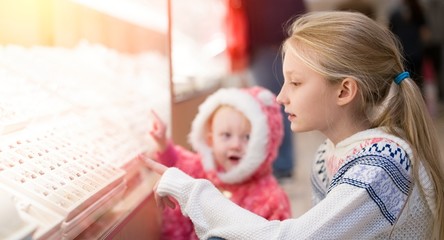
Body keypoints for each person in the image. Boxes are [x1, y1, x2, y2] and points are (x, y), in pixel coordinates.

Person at [145, 11, 444, 239]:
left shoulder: (380, 166)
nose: (281, 96)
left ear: (344, 91)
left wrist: (191, 192)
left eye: (296, 83)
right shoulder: (330, 154)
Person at [146, 86, 291, 240]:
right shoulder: (205, 171)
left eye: (247, 137)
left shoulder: (271, 198)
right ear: (210, 140)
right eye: (226, 135)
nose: (235, 145)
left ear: (264, 144)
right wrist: (163, 144)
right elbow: (181, 165)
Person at [242, 0, 307, 179]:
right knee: (272, 105)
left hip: (271, 45)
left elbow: (296, 11)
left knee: (275, 105)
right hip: (263, 46)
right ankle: (278, 164)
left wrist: (279, 39)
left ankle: (281, 164)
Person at [389, 0, 430, 91]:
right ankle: (417, 98)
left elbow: (390, 33)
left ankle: (408, 99)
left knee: (403, 78)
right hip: (415, 50)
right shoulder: (417, 10)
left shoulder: (395, 13)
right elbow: (424, 33)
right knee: (417, 78)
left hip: (402, 51)